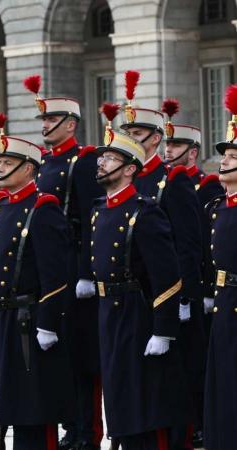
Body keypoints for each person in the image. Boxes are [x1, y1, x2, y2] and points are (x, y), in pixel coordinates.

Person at [91, 127, 191, 449]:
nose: (102, 163)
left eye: (110, 158)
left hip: (135, 315)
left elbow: (167, 276)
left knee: (142, 407)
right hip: (108, 314)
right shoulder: (100, 211)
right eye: (102, 157)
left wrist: (163, 329)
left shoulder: (143, 212)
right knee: (118, 401)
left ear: (130, 168)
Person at [22, 75, 105, 450]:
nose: (44, 126)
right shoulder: (45, 163)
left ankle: (87, 430)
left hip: (73, 262)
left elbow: (90, 216)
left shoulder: (82, 162)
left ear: (70, 124)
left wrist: (87, 271)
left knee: (80, 351)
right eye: (43, 120)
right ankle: (69, 425)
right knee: (57, 351)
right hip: (49, 263)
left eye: (51, 121)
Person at [121, 73, 202, 447]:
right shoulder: (125, 180)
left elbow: (187, 246)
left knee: (169, 384)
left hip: (163, 295)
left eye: (136, 135)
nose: (128, 141)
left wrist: (182, 298)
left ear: (155, 139)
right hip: (130, 300)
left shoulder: (173, 181)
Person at [0, 130, 74, 449]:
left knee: (35, 407)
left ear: (27, 168)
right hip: (5, 316)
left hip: (30, 319)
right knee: (13, 403)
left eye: (7, 162)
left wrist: (47, 323)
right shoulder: (1, 207)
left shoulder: (43, 208)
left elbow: (56, 275)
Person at [161, 101, 216, 447]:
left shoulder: (206, 185)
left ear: (192, 152)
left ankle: (200, 420)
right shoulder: (167, 184)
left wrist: (204, 289)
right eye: (166, 145)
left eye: (176, 145)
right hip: (179, 284)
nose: (169, 151)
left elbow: (202, 242)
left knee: (198, 357)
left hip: (198, 286)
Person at [203, 84, 237, 450]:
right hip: (225, 301)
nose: (225, 160)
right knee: (223, 385)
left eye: (232, 155)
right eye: (225, 155)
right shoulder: (217, 207)